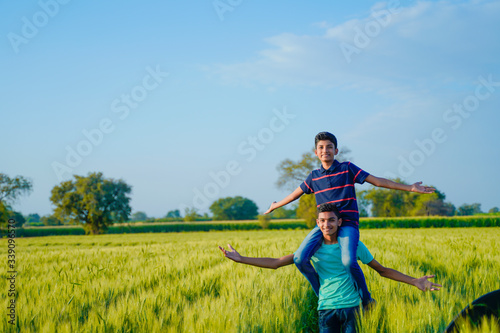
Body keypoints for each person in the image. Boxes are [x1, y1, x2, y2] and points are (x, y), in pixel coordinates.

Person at [263, 131, 436, 307]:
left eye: (329, 147)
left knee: (348, 261)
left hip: (347, 225)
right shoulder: (314, 176)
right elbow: (294, 196)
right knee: (300, 258)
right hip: (325, 225)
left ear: (336, 150)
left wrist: (410, 188)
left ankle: (366, 299)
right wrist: (275, 206)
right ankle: (321, 292)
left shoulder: (347, 168)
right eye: (321, 148)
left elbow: (377, 181)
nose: (325, 150)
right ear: (316, 152)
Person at [220, 203, 441, 333]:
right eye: (323, 221)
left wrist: (415, 281)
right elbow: (277, 262)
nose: (327, 224)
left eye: (331, 220)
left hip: (353, 309)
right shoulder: (312, 249)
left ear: (339, 222)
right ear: (318, 224)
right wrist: (242, 259)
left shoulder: (354, 246)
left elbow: (381, 270)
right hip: (326, 310)